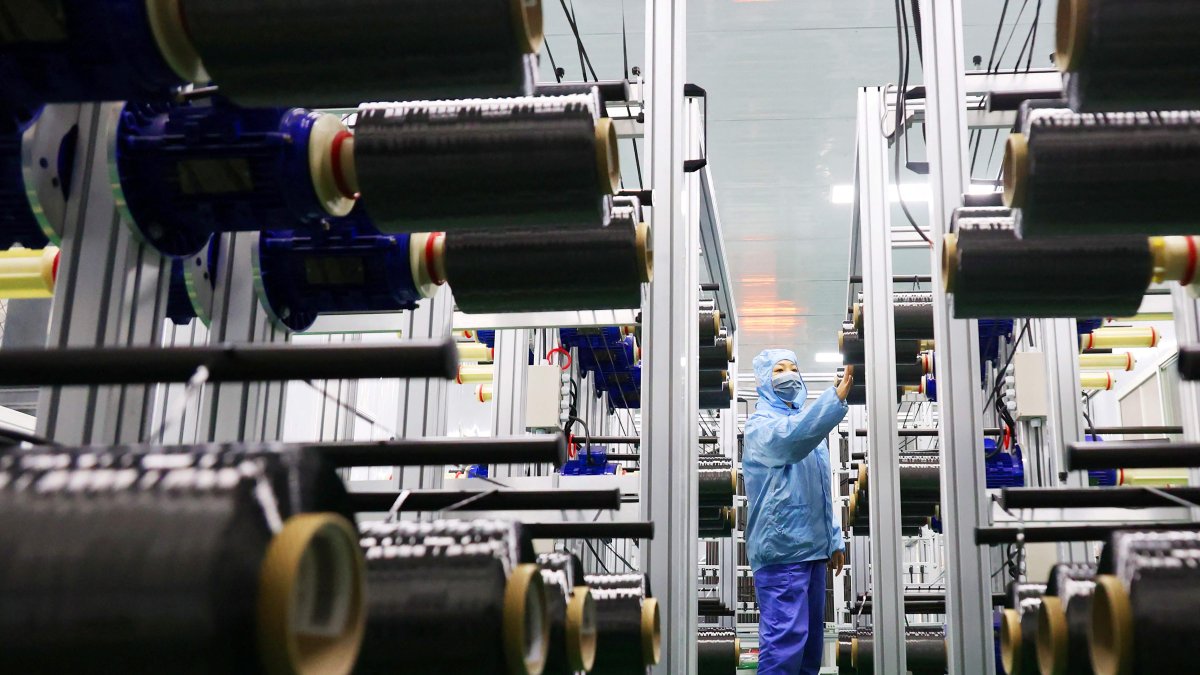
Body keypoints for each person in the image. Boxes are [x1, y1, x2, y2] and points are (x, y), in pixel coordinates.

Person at [743, 348, 854, 675]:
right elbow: (790, 442)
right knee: (784, 644)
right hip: (781, 552)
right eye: (779, 370)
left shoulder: (810, 429)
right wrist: (832, 401)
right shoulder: (759, 426)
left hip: (811, 552)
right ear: (764, 380)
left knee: (809, 649)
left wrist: (833, 538)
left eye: (794, 367)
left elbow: (818, 487)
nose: (790, 375)